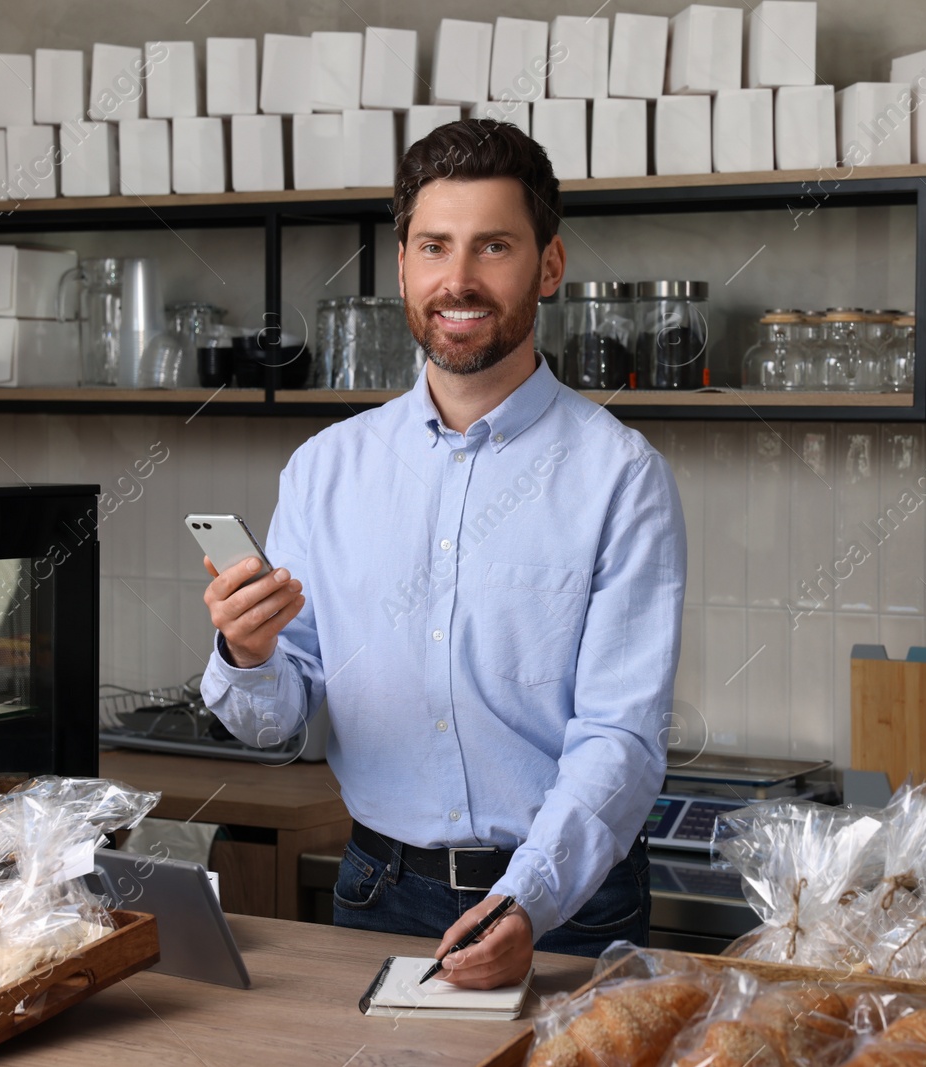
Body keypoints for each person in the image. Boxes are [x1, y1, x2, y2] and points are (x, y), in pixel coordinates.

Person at [200, 119, 686, 989]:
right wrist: (248, 652)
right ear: (402, 267)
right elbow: (275, 720)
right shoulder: (325, 470)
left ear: (548, 266)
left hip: (567, 904)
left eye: (493, 246)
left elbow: (622, 737)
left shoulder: (621, 476)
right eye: (435, 247)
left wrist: (527, 895)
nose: (458, 280)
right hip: (377, 890)